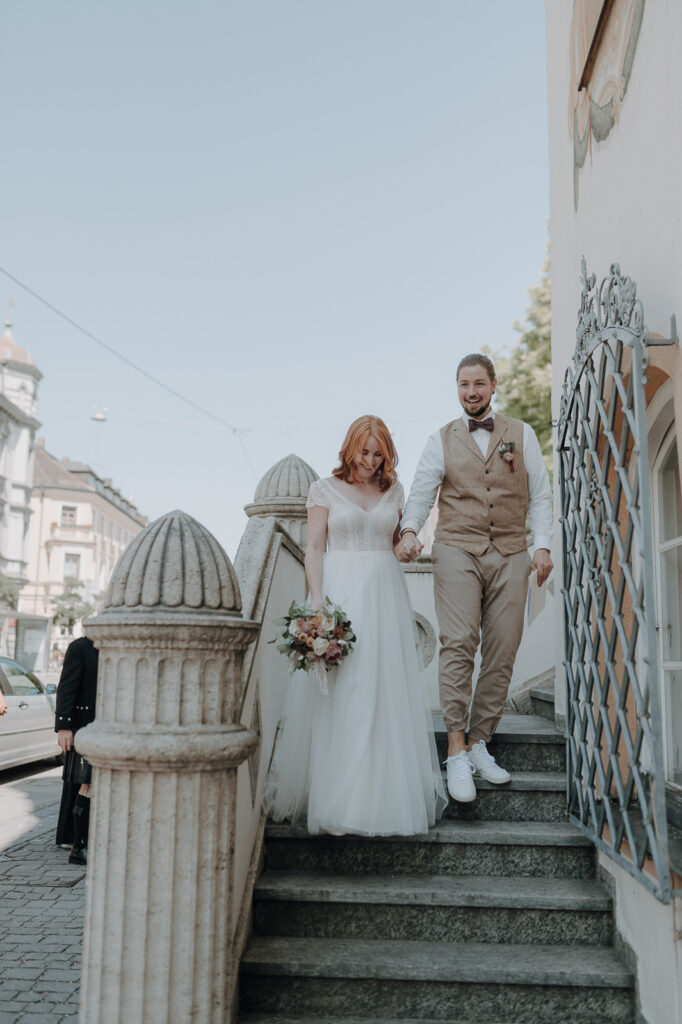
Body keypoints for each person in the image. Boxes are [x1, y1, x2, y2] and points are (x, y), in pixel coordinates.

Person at [265, 415, 446, 836]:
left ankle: (379, 801)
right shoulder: (323, 489)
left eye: (378, 454)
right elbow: (313, 548)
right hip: (340, 595)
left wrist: (407, 543)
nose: (370, 460)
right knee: (343, 695)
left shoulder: (393, 490)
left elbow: (396, 541)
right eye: (364, 452)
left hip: (385, 596)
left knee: (381, 694)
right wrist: (315, 603)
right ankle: (339, 803)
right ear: (349, 448)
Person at [396, 353, 553, 803]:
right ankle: (456, 749)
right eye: (464, 384)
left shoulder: (520, 434)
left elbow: (540, 495)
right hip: (456, 548)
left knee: (503, 648)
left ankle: (481, 741)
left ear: (493, 385)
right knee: (460, 642)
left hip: (510, 550)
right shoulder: (439, 439)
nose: (471, 392)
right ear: (458, 389)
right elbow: (423, 490)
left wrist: (541, 545)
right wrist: (409, 531)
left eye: (479, 383)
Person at [54, 635, 99, 863]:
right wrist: (64, 726)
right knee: (81, 782)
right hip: (81, 727)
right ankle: (72, 839)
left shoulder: (113, 647)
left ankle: (81, 839)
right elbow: (67, 687)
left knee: (88, 783)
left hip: (103, 727)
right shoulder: (80, 647)